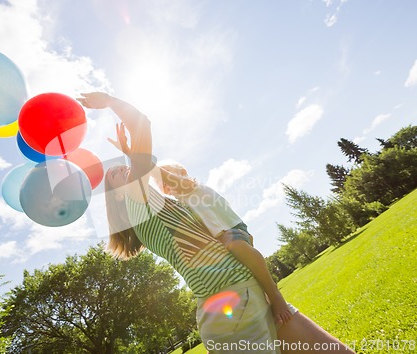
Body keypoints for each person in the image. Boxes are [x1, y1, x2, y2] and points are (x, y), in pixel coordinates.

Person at [77, 92, 355, 354]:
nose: (122, 169)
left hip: (246, 291)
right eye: (114, 175)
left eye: (122, 166)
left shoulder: (157, 206)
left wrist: (131, 153)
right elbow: (142, 124)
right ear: (117, 197)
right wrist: (110, 101)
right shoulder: (138, 208)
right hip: (232, 304)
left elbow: (150, 170)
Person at [109, 125, 293, 326]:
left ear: (183, 172)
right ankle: (266, 297)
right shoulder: (176, 203)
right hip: (221, 242)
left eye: (170, 177)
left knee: (237, 247)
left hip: (231, 229)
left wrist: (130, 152)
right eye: (165, 188)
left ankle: (274, 294)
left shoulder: (191, 189)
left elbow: (147, 168)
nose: (168, 186)